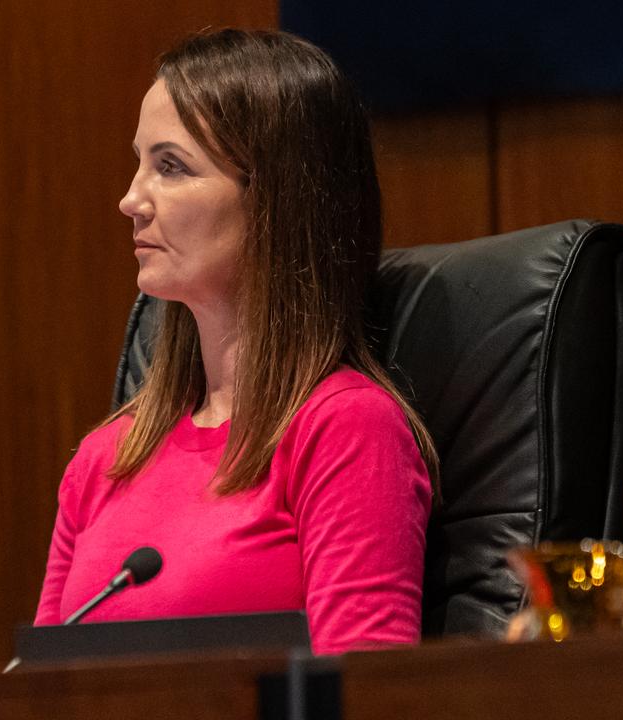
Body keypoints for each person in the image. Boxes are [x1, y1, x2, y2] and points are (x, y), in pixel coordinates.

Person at [34, 29, 438, 655]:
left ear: (276, 200)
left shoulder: (347, 430)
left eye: (170, 166)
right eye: (139, 162)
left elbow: (364, 697)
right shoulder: (101, 460)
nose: (130, 199)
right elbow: (41, 694)